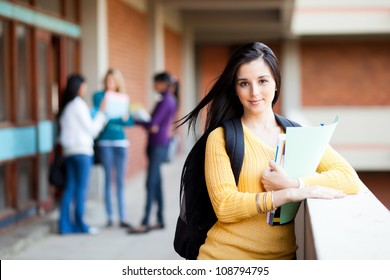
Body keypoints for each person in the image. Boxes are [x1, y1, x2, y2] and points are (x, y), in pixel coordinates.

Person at [178, 42, 361, 259]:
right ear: (235, 90)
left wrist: (295, 183)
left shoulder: (297, 134)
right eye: (244, 83)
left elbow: (349, 179)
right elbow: (225, 206)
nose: (254, 92)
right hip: (224, 258)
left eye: (263, 81)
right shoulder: (222, 138)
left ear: (276, 84)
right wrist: (286, 194)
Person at [129, 72, 178, 234]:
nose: (153, 85)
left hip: (157, 145)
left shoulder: (165, 100)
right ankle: (160, 219)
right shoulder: (168, 99)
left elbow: (153, 124)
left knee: (150, 182)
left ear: (163, 83)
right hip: (159, 143)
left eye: (155, 82)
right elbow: (153, 123)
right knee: (156, 182)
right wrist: (149, 124)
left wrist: (136, 120)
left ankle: (145, 222)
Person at [58, 74, 107, 235]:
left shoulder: (67, 106)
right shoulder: (78, 105)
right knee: (81, 189)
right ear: (79, 87)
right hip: (82, 152)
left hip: (70, 152)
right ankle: (80, 225)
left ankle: (65, 226)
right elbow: (92, 130)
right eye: (84, 85)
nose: (85, 88)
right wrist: (101, 115)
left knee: (70, 188)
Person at [93, 68, 135, 229]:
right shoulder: (99, 96)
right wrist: (113, 117)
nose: (109, 83)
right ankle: (109, 217)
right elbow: (100, 117)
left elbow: (129, 122)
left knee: (120, 181)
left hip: (121, 143)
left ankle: (122, 216)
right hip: (105, 143)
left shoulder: (123, 98)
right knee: (108, 181)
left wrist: (123, 118)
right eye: (107, 80)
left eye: (112, 81)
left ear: (117, 82)